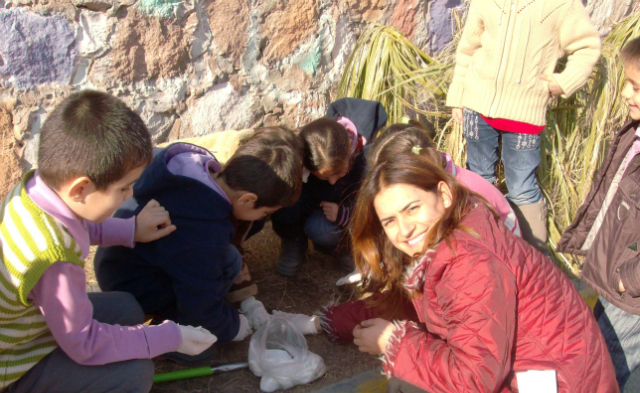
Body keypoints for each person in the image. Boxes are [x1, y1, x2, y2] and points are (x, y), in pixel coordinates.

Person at [349, 151, 626, 393]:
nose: (405, 229)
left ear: (444, 195)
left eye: (412, 208)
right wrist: (329, 322)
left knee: (408, 390)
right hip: (558, 392)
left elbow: (476, 378)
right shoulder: (464, 230)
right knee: (410, 386)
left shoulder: (467, 262)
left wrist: (394, 343)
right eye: (390, 221)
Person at [0, 91, 217, 393]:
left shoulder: (37, 188)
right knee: (133, 380)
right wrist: (169, 337)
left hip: (20, 332)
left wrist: (130, 229)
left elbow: (81, 220)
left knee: (125, 309)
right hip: (10, 371)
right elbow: (84, 345)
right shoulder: (52, 259)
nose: (130, 194)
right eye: (123, 187)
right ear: (80, 187)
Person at [95, 127, 303, 361]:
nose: (262, 219)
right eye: (266, 212)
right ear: (247, 199)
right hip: (132, 285)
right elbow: (200, 308)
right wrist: (232, 326)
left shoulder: (196, 169)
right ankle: (164, 325)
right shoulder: (202, 233)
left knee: (228, 258)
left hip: (114, 261)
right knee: (204, 346)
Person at [317, 121, 521, 342]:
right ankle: (328, 321)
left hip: (495, 284)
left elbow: (471, 363)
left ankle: (328, 322)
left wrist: (396, 344)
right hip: (474, 280)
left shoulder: (465, 202)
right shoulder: (435, 187)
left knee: (400, 306)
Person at [447, 0, 601, 253]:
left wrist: (565, 81)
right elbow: (468, 48)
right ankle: (477, 249)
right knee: (478, 179)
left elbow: (587, 45)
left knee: (522, 188)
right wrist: (457, 96)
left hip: (525, 115)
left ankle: (534, 256)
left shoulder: (561, 5)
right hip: (477, 105)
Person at [557, 37, 640, 393]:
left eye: (636, 86)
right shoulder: (634, 132)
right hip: (617, 278)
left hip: (631, 291)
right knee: (595, 361)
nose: (625, 93)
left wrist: (628, 280)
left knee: (603, 375)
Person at [272, 97, 387, 276]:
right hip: (314, 201)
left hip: (341, 210)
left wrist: (344, 213)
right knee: (286, 198)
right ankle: (293, 239)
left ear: (350, 155)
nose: (333, 180)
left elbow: (368, 204)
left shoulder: (366, 159)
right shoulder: (311, 147)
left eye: (339, 173)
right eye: (324, 176)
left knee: (321, 230)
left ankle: (343, 247)